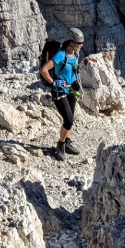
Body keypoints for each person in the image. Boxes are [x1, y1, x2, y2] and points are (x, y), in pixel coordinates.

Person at [39, 27, 84, 161]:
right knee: (69, 121)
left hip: (71, 90)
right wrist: (54, 83)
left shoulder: (75, 55)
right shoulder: (60, 55)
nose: (81, 46)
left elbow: (73, 69)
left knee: (70, 118)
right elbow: (44, 70)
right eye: (79, 43)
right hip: (59, 92)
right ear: (71, 43)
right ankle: (60, 146)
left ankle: (67, 141)